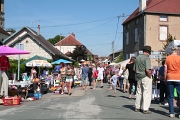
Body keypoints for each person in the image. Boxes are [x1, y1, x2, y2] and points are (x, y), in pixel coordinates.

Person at [134, 46, 152, 114]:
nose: (150, 54)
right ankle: (145, 108)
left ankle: (137, 107)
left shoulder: (137, 58)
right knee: (146, 92)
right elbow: (147, 70)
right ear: (147, 52)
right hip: (145, 76)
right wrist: (150, 76)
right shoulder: (146, 58)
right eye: (149, 52)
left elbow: (134, 69)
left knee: (139, 92)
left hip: (138, 76)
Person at [164, 46, 180, 118]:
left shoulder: (168, 58)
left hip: (170, 78)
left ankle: (171, 113)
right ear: (177, 51)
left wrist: (165, 78)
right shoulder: (179, 58)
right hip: (178, 78)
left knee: (170, 96)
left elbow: (165, 70)